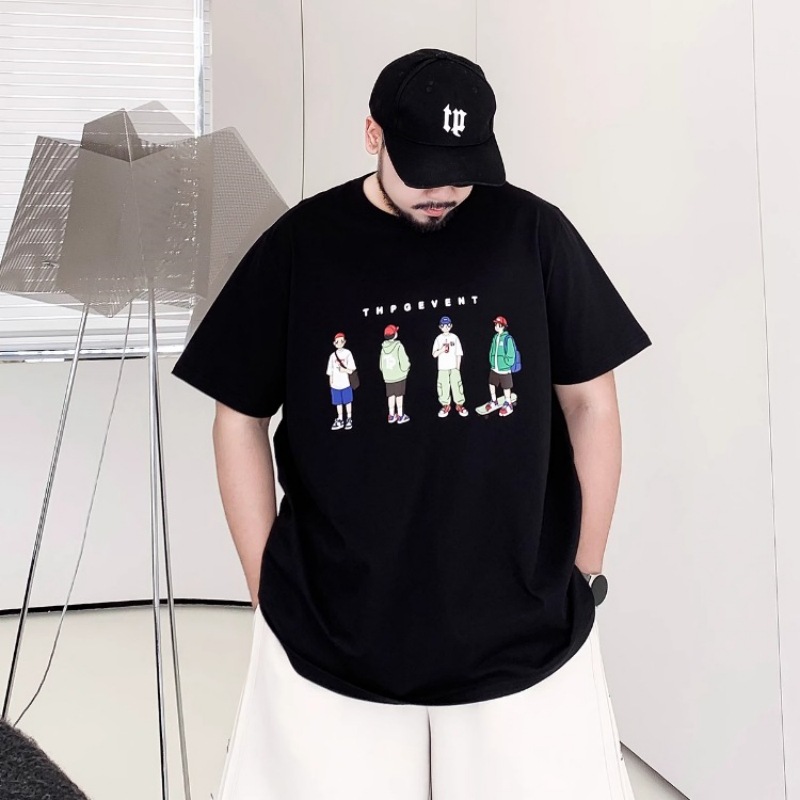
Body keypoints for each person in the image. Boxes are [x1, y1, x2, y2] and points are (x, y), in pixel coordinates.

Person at [173, 48, 651, 799]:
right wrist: (266, 587)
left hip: (521, 628)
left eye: (462, 170)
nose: (443, 192)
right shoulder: (302, 243)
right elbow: (237, 415)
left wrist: (586, 568)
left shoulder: (533, 233)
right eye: (424, 169)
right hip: (334, 629)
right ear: (373, 134)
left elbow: (591, 402)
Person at [431, 315, 468, 417]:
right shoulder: (438, 339)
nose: (445, 327)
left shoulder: (454, 338)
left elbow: (459, 353)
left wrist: (457, 368)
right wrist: (441, 350)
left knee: (457, 386)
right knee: (443, 387)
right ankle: (445, 406)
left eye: (447, 325)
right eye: (443, 325)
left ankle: (459, 405)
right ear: (440, 327)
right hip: (442, 368)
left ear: (451, 326)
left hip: (453, 367)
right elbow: (434, 354)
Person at [379, 323, 411, 423]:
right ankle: (400, 416)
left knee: (391, 396)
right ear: (395, 335)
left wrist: (386, 373)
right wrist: (406, 369)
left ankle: (391, 415)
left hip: (388, 378)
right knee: (399, 396)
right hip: (399, 376)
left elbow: (381, 365)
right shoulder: (398, 346)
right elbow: (404, 361)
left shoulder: (383, 348)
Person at [326, 331, 357, 430]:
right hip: (335, 385)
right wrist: (331, 382)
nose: (339, 343)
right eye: (337, 342)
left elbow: (352, 369)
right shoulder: (332, 356)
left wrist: (344, 370)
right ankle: (340, 419)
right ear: (334, 343)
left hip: (346, 383)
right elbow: (330, 371)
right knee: (338, 403)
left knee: (348, 401)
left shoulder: (348, 353)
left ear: (344, 342)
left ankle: (349, 418)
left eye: (341, 341)